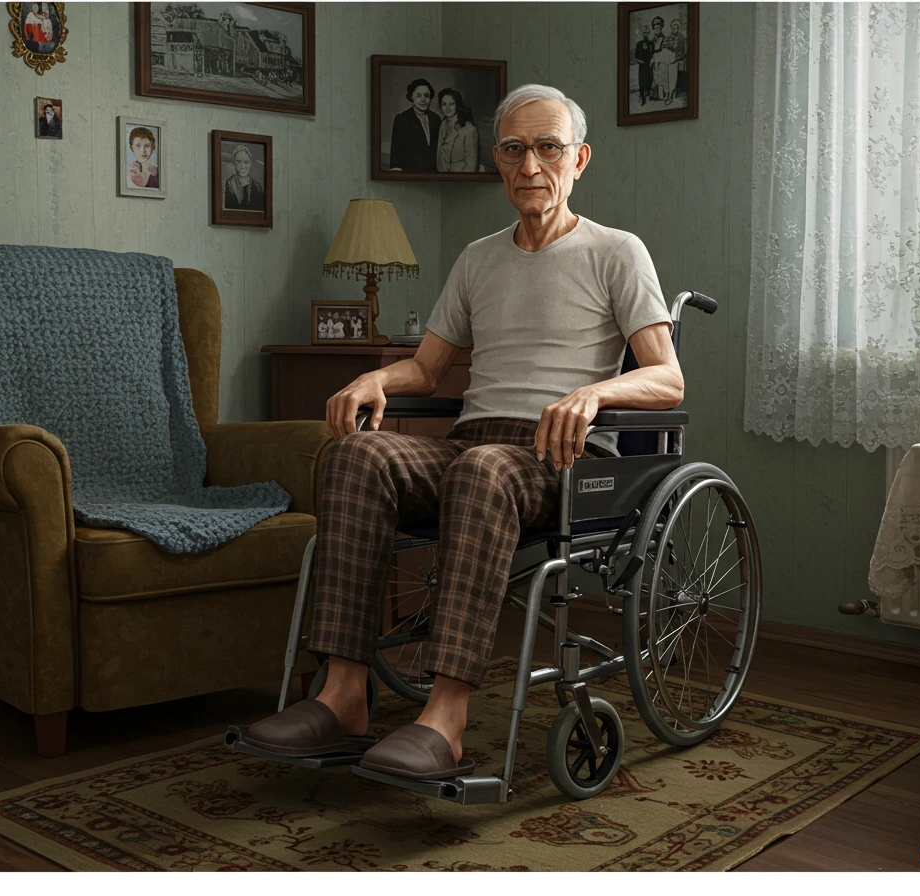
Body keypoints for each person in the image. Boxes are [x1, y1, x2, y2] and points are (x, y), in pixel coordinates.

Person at [240, 83, 682, 782]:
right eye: (513, 149)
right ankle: (342, 695)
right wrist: (376, 380)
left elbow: (668, 379)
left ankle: (444, 719)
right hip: (472, 441)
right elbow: (428, 366)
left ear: (579, 159)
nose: (530, 165)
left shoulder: (616, 252)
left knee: (481, 471)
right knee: (357, 455)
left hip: (554, 456)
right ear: (497, 163)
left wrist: (593, 394)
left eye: (547, 147)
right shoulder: (478, 257)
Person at [388, 78, 441, 172]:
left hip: (433, 174)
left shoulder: (436, 118)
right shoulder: (401, 119)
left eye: (427, 96)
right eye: (418, 95)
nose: (423, 100)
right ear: (411, 97)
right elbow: (396, 152)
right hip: (410, 173)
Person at [435, 87, 479, 173]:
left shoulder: (469, 129)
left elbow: (471, 163)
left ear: (457, 105)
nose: (447, 107)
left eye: (451, 104)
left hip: (461, 177)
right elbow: (439, 154)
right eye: (444, 104)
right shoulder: (443, 124)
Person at [223, 144, 265, 210]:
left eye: (246, 162)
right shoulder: (229, 183)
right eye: (239, 162)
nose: (242, 167)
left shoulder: (257, 186)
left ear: (250, 164)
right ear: (234, 163)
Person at [634, 22, 655, 107]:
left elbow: (653, 54)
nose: (645, 34)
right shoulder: (639, 44)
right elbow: (636, 56)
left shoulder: (651, 44)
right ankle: (643, 98)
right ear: (642, 34)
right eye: (644, 33)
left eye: (647, 33)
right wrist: (641, 62)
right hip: (642, 66)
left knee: (649, 80)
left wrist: (652, 62)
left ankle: (649, 93)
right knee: (642, 82)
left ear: (649, 33)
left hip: (649, 66)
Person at [672, 19, 688, 100]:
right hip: (674, 58)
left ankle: (683, 90)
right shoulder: (672, 37)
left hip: (681, 58)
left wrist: (679, 57)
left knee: (681, 72)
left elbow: (685, 51)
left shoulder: (682, 38)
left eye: (677, 28)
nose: (675, 30)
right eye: (674, 28)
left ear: (679, 28)